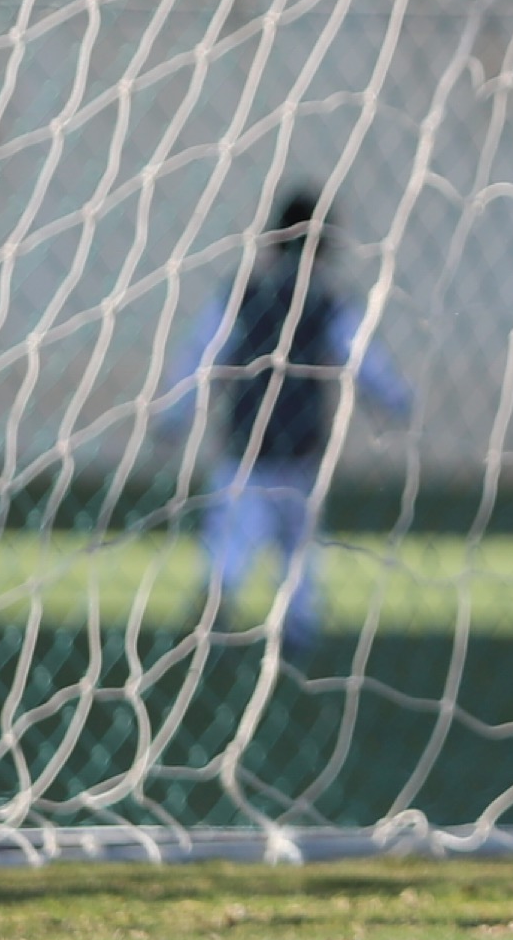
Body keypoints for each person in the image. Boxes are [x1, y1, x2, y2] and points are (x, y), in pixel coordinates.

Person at [157, 184, 409, 654]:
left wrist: (175, 413)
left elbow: (201, 357)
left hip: (251, 446)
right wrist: (395, 400)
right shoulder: (323, 301)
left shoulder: (247, 294)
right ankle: (292, 624)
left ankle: (227, 606)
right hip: (293, 448)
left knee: (237, 539)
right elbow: (364, 360)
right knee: (296, 546)